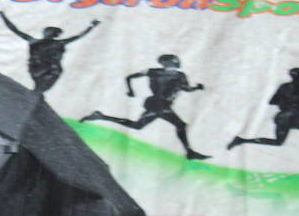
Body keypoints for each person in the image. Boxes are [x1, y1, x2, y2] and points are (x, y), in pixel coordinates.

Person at [82, 53, 210, 160]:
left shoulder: (152, 71)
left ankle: (101, 116)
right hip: (161, 105)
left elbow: (130, 77)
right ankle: (189, 152)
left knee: (139, 126)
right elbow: (186, 89)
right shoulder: (179, 75)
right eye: (173, 61)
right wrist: (197, 88)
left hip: (155, 103)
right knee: (178, 125)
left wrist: (131, 91)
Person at [228, 67, 299, 172]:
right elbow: (272, 101)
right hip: (287, 119)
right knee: (278, 142)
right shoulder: (284, 87)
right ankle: (242, 140)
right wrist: (288, 101)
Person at [0, 11, 99, 94]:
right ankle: (35, 96)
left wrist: (3, 16)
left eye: (50, 32)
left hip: (45, 69)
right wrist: (91, 26)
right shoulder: (54, 43)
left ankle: (35, 96)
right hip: (43, 69)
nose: (48, 34)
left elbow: (15, 30)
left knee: (39, 89)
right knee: (39, 88)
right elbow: (15, 30)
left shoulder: (51, 43)